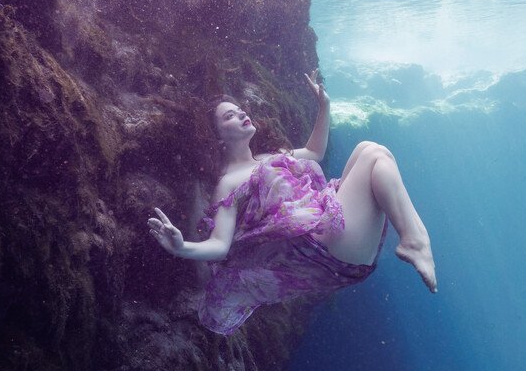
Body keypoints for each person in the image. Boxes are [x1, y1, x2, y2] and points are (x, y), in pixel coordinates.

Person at [147, 70, 436, 335]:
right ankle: (414, 240)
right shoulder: (229, 182)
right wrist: (182, 247)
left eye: (240, 109)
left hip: (332, 239)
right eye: (229, 117)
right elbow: (220, 246)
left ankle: (414, 240)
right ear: (219, 138)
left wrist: (324, 106)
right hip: (324, 252)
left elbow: (314, 151)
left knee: (366, 149)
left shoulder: (268, 159)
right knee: (376, 155)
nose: (241, 113)